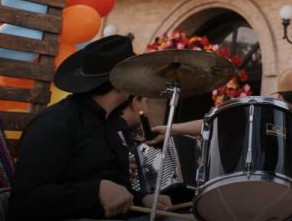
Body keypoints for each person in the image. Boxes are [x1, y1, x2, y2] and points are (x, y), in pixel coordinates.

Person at [9, 35, 171, 221]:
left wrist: (143, 200)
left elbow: (117, 190)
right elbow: (23, 202)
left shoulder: (115, 125)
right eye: (133, 73)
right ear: (121, 82)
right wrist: (95, 191)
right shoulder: (56, 123)